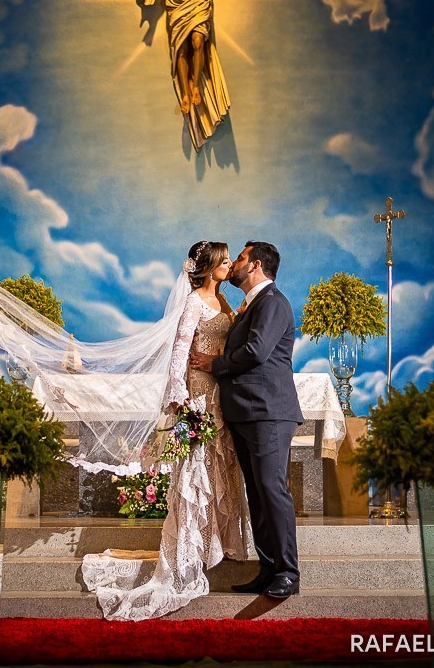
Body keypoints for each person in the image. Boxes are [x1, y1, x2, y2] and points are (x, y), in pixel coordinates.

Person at [81, 240, 254, 620]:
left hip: (220, 396)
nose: (229, 263)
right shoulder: (193, 303)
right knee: (196, 475)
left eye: (230, 258)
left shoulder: (224, 303)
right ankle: (188, 553)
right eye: (223, 259)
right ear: (207, 266)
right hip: (198, 396)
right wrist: (181, 401)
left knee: (218, 470)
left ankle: (216, 545)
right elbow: (179, 353)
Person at [97, 0, 271, 151]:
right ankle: (187, 93)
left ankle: (197, 85)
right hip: (178, 4)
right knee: (180, 51)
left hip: (199, 1)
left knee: (199, 43)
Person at [191, 241, 303, 599]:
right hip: (247, 411)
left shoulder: (273, 302)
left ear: (255, 265)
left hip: (268, 412)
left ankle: (288, 571)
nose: (233, 264)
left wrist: (215, 364)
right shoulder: (254, 305)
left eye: (239, 258)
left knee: (272, 490)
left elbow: (256, 352)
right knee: (257, 494)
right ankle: (268, 568)